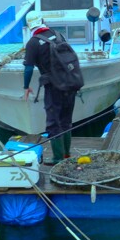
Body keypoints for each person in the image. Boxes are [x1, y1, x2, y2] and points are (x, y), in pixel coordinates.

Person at [23, 11, 77, 163]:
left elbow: (28, 68)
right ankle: (66, 154)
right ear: (43, 21)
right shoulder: (58, 35)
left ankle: (58, 158)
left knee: (54, 123)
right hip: (70, 83)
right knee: (66, 120)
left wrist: (26, 86)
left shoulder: (33, 43)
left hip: (54, 88)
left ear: (29, 26)